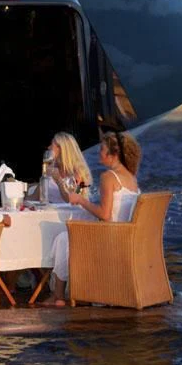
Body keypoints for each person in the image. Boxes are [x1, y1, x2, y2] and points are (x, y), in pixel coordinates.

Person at [45, 130, 142, 306]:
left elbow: (105, 215)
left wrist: (80, 200)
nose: (99, 152)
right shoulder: (131, 178)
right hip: (124, 237)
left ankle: (58, 295)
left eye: (102, 149)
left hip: (109, 238)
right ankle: (76, 289)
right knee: (69, 237)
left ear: (113, 155)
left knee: (63, 239)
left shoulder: (108, 177)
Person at [41, 131, 93, 203]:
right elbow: (36, 197)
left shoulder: (80, 173)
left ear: (61, 149)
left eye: (51, 145)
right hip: (50, 212)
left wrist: (59, 180)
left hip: (71, 214)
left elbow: (74, 200)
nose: (48, 147)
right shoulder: (52, 168)